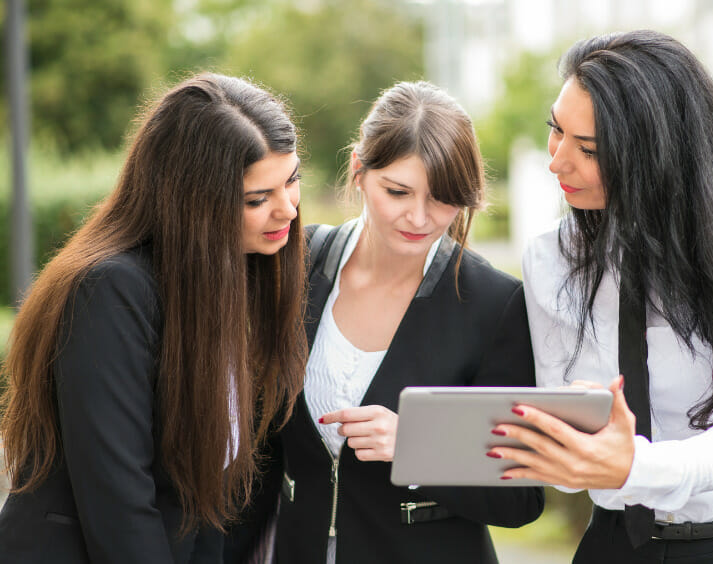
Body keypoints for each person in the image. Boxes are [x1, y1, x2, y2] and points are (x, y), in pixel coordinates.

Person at [488, 30, 713, 563]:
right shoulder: (551, 258)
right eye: (556, 130)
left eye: (589, 150)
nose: (557, 162)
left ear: (656, 156)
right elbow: (572, 452)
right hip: (616, 542)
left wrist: (633, 467)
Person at [225, 81, 542, 564]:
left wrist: (419, 444)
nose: (419, 218)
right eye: (397, 191)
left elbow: (523, 496)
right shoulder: (295, 263)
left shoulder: (495, 303)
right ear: (358, 170)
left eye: (443, 199)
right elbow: (260, 451)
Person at [0, 73, 308, 563]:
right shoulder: (112, 291)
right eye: (257, 199)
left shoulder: (238, 274)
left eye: (291, 181)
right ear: (194, 203)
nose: (287, 210)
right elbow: (119, 501)